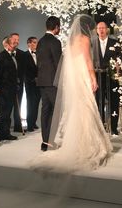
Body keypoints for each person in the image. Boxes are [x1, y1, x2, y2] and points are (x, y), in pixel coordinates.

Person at [33, 15, 112, 172]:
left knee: (75, 108)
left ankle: (71, 142)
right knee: (86, 107)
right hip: (82, 75)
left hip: (73, 77)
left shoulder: (71, 41)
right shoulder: (85, 39)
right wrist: (93, 78)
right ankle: (87, 144)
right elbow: (88, 61)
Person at [36, 16, 62, 151]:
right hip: (53, 82)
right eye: (59, 26)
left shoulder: (40, 41)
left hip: (42, 81)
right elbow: (59, 64)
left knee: (45, 111)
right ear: (56, 27)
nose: (60, 29)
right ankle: (49, 141)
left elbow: (38, 62)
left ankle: (45, 141)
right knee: (54, 111)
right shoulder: (55, 42)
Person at [94, 21, 120, 135]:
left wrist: (118, 72)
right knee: (99, 101)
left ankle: (113, 128)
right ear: (96, 30)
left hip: (112, 77)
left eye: (103, 28)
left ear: (107, 29)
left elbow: (119, 60)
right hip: (98, 76)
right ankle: (101, 127)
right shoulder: (92, 43)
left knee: (114, 102)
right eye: (99, 28)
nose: (101, 30)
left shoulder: (115, 43)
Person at [0, 36, 18, 141]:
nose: (15, 44)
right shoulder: (0, 57)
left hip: (11, 89)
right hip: (3, 89)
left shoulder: (13, 56)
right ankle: (0, 134)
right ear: (6, 45)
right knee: (4, 112)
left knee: (8, 113)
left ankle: (6, 133)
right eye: (13, 43)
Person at [24, 37, 41, 132]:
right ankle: (29, 124)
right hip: (30, 83)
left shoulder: (39, 54)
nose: (36, 44)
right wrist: (32, 79)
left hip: (39, 83)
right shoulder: (25, 55)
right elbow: (25, 70)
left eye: (36, 42)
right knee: (30, 103)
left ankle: (33, 122)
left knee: (36, 103)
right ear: (29, 44)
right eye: (34, 42)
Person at [9, 33, 25, 132]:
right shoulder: (4, 54)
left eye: (18, 39)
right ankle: (5, 129)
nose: (16, 41)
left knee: (18, 105)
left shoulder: (22, 54)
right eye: (15, 39)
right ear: (9, 40)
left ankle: (18, 126)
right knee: (8, 107)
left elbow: (23, 69)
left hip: (19, 84)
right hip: (9, 85)